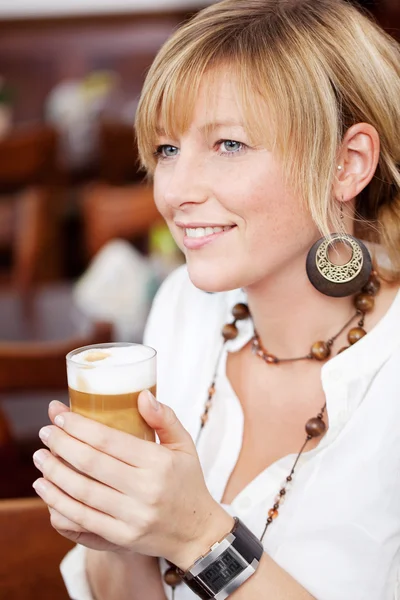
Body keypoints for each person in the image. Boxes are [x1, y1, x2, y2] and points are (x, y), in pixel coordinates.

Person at [32, 0, 400, 598]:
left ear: (348, 163)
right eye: (167, 151)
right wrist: (119, 529)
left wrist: (197, 535)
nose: (174, 191)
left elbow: (189, 539)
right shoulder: (183, 306)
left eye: (228, 144)